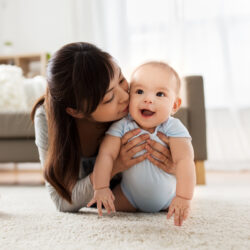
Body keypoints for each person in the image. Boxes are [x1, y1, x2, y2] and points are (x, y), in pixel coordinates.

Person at [31, 42, 175, 213]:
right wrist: (114, 165)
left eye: (121, 80)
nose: (124, 97)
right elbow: (62, 200)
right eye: (109, 98)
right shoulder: (47, 119)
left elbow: (178, 156)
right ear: (76, 111)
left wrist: (173, 166)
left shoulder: (136, 108)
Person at [87, 61, 196, 226]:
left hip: (168, 198)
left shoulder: (173, 128)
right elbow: (106, 155)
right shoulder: (122, 125)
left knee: (180, 208)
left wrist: (183, 197)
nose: (148, 99)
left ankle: (178, 202)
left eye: (160, 94)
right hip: (128, 196)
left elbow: (185, 160)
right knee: (103, 211)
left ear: (174, 105)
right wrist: (101, 187)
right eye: (139, 91)